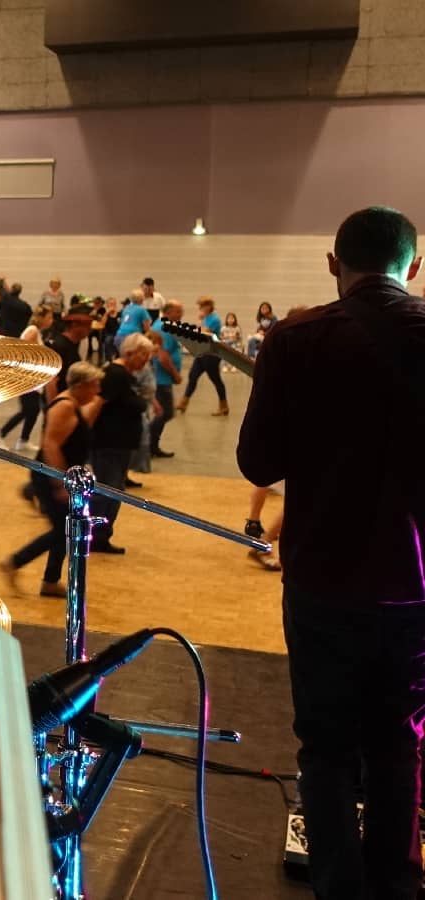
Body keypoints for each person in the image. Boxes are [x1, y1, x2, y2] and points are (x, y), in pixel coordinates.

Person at [239, 206, 425, 900]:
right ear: (412, 267)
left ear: (331, 264)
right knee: (399, 742)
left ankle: (337, 889)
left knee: (325, 748)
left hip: (321, 579)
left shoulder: (294, 339)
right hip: (414, 583)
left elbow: (258, 458)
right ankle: (399, 887)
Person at [0, 362, 104, 598]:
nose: (97, 391)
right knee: (63, 530)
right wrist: (60, 483)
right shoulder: (65, 406)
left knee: (66, 529)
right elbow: (50, 444)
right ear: (81, 385)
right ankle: (14, 563)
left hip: (64, 476)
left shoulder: (74, 404)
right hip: (50, 477)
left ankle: (50, 581)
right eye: (94, 386)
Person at [89, 334, 154, 554]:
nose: (146, 360)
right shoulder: (115, 375)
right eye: (144, 355)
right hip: (108, 444)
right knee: (107, 490)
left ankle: (101, 537)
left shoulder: (124, 375)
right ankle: (94, 538)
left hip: (119, 444)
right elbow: (97, 403)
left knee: (113, 490)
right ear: (129, 353)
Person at [0, 305, 54, 451]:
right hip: (26, 378)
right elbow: (22, 351)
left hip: (34, 378)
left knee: (34, 410)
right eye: (49, 317)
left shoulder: (37, 332)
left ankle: (24, 440)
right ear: (42, 318)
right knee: (27, 410)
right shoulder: (32, 331)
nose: (51, 321)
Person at [177, 296, 227, 415]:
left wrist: (199, 323)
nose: (200, 309)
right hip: (202, 352)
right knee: (192, 376)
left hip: (211, 353)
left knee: (215, 379)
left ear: (209, 306)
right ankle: (183, 403)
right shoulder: (206, 318)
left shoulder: (214, 319)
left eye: (202, 306)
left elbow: (205, 333)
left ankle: (224, 405)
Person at [147, 298, 184, 458]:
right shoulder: (164, 328)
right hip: (162, 379)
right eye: (178, 312)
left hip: (161, 378)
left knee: (164, 412)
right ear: (168, 312)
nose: (181, 315)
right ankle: (147, 442)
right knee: (165, 413)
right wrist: (175, 375)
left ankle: (152, 445)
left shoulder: (161, 325)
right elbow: (162, 357)